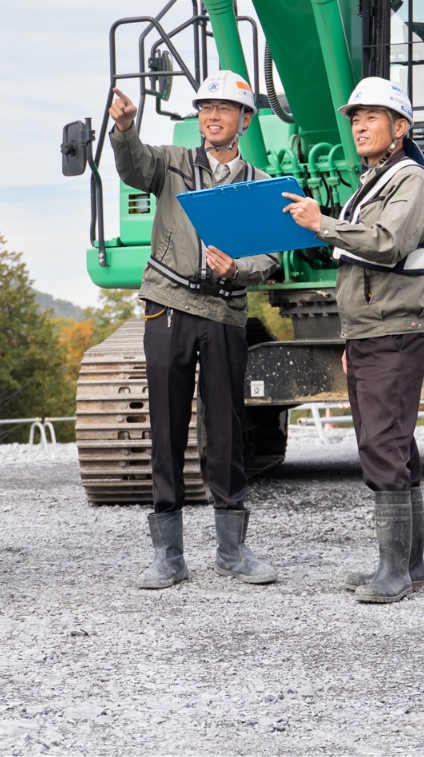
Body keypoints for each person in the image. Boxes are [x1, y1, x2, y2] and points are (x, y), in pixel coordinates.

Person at [108, 69, 280, 590]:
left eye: (224, 108)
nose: (211, 115)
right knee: (166, 427)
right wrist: (125, 130)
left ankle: (231, 550)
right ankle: (168, 555)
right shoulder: (172, 163)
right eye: (205, 106)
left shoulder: (258, 186)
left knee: (226, 432)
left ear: (245, 120)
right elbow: (133, 168)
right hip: (169, 307)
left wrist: (239, 271)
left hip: (225, 313)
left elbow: (269, 258)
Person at [282, 77, 424, 603]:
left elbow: (388, 245)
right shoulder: (375, 181)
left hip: (395, 331)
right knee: (397, 443)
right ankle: (408, 568)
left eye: (371, 117)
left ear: (400, 128)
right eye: (355, 118)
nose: (359, 126)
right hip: (374, 332)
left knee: (382, 444)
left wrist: (321, 223)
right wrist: (352, 338)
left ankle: (394, 573)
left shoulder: (411, 181)